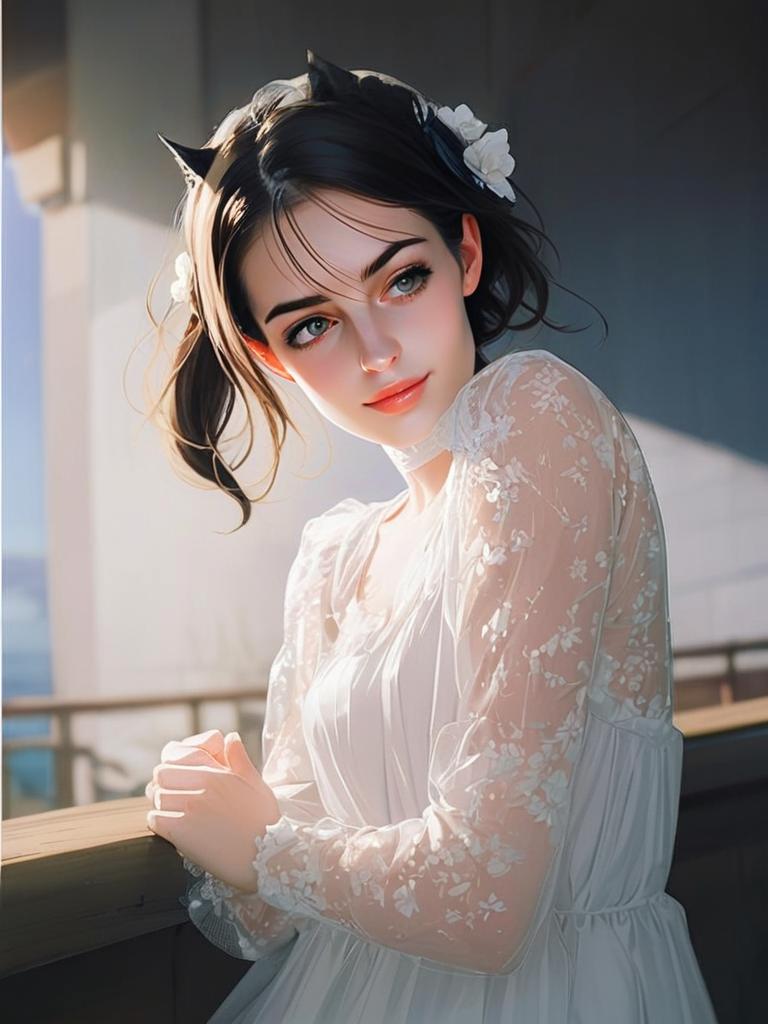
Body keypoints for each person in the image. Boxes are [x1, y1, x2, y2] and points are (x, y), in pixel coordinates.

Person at [143, 50, 719, 1023]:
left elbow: (492, 905)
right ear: (265, 353)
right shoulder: (337, 559)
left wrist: (268, 842)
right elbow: (262, 917)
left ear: (466, 253)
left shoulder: (538, 416)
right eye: (312, 324)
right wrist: (219, 802)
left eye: (400, 277)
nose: (375, 350)